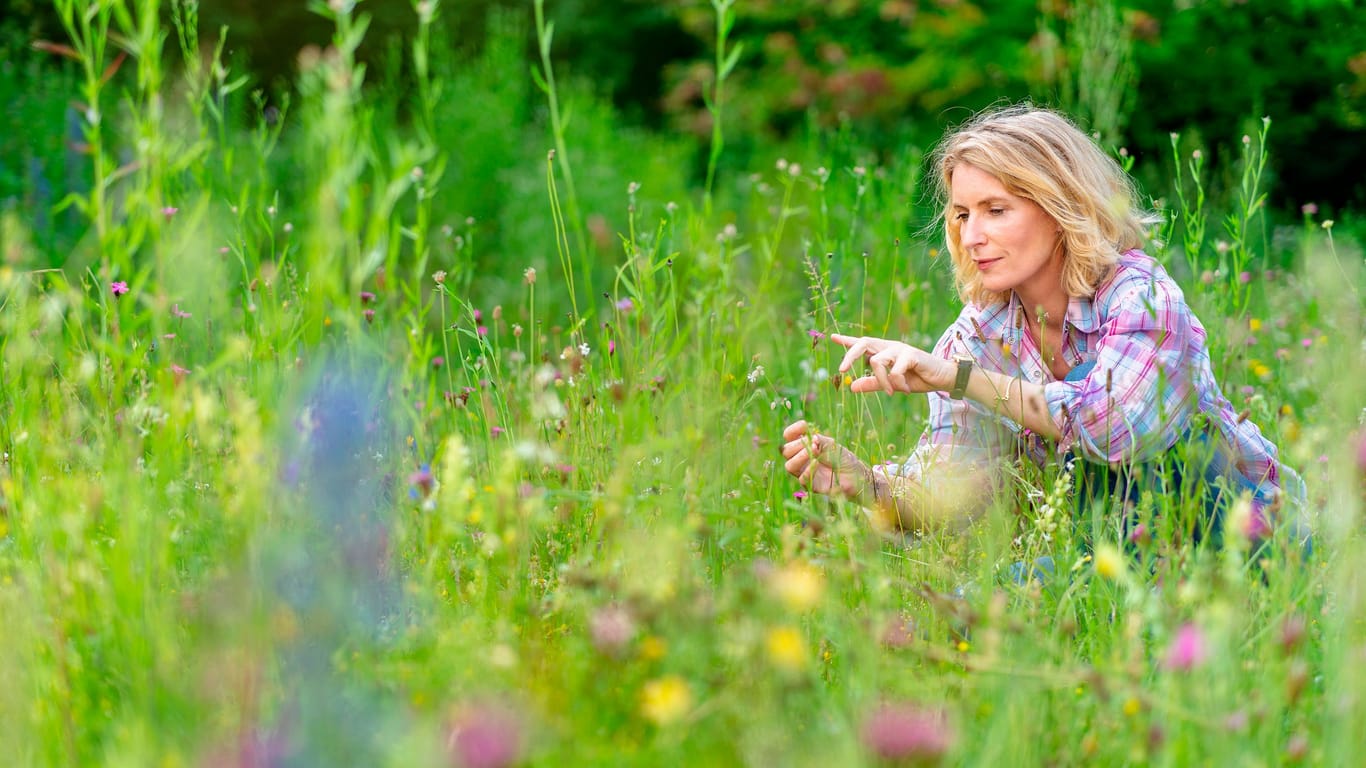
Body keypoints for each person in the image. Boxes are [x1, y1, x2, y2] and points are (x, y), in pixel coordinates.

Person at [780, 105, 1305, 553]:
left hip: (1244, 537)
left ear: (1061, 208)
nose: (973, 235)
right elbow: (949, 495)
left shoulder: (1140, 295)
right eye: (962, 215)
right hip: (1120, 554)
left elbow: (1114, 431)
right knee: (983, 609)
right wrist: (867, 484)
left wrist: (957, 378)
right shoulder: (976, 337)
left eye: (996, 210)